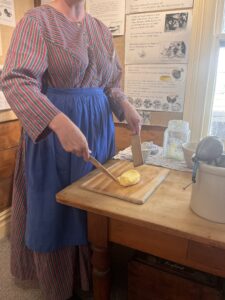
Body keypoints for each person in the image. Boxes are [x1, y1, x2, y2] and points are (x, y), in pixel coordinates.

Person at [1, 0, 141, 299]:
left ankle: (95, 272)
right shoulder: (37, 22)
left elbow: (110, 83)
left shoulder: (101, 29)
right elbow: (16, 81)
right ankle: (63, 283)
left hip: (99, 129)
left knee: (96, 199)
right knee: (58, 208)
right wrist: (58, 123)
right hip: (56, 132)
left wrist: (124, 104)